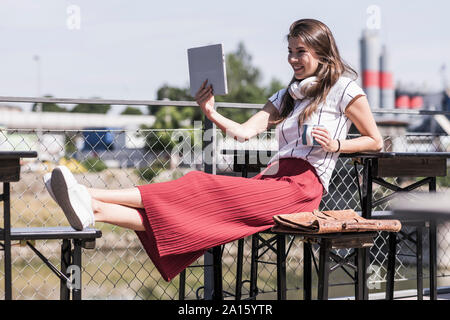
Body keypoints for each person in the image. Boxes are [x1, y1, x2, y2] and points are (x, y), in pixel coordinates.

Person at [43, 18, 383, 282]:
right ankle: (95, 210)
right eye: (290, 51)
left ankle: (86, 192)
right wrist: (211, 112)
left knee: (197, 184)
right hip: (273, 180)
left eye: (300, 52)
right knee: (192, 213)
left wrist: (337, 144)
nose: (292, 58)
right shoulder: (289, 94)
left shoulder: (343, 89)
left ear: (321, 52)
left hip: (302, 189)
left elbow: (375, 140)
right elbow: (244, 132)